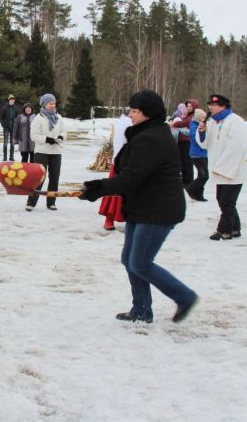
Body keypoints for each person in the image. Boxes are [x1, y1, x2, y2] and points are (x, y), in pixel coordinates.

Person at [81, 89, 198, 323]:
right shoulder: (146, 133)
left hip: (159, 210)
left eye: (135, 111)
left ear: (148, 113)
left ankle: (184, 296)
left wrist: (99, 187)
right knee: (130, 260)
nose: (130, 114)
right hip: (143, 206)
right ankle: (141, 310)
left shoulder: (151, 139)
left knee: (140, 262)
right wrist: (99, 187)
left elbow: (132, 177)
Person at [196, 94, 247, 240]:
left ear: (222, 106)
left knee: (226, 202)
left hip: (233, 169)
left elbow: (237, 147)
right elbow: (204, 144)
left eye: (213, 104)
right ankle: (235, 229)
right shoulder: (213, 122)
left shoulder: (235, 121)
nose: (210, 107)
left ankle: (224, 230)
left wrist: (225, 168)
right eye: (210, 104)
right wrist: (202, 131)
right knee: (222, 200)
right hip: (219, 168)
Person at [26, 93, 65, 212]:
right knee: (39, 178)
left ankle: (51, 202)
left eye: (53, 103)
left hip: (56, 152)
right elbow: (33, 136)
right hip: (41, 152)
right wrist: (46, 139)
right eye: (50, 103)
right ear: (44, 104)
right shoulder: (38, 118)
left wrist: (61, 137)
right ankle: (31, 203)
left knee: (54, 178)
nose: (52, 105)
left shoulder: (59, 117)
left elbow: (64, 131)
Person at [99, 107, 132, 230]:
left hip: (127, 162)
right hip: (123, 163)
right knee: (115, 192)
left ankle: (130, 220)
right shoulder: (127, 122)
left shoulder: (126, 121)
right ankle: (110, 218)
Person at [170, 99, 199, 186]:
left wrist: (174, 124)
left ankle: (189, 181)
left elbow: (186, 123)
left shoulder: (194, 116)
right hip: (181, 141)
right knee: (182, 162)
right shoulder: (185, 115)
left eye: (191, 106)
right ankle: (184, 181)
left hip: (188, 141)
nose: (189, 108)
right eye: (188, 106)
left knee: (188, 162)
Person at [185, 108, 208, 202]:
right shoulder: (194, 126)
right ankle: (190, 189)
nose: (204, 119)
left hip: (202, 153)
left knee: (201, 175)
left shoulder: (198, 125)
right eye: (203, 118)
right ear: (199, 118)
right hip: (197, 154)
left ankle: (199, 195)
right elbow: (197, 140)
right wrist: (203, 133)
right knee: (204, 176)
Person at [0, 94, 17, 161]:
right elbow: (1, 118)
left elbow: (17, 117)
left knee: (12, 143)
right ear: (9, 100)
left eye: (13, 100)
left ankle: (11, 156)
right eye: (11, 100)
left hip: (13, 128)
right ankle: (5, 156)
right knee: (5, 142)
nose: (12, 101)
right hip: (6, 127)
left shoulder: (15, 108)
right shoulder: (4, 108)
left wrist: (16, 125)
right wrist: (3, 125)